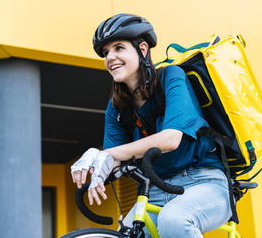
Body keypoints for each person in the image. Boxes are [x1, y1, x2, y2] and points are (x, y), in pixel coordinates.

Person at [71, 13, 232, 237]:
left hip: (204, 182)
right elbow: (117, 161)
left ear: (143, 49)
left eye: (119, 48)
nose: (110, 57)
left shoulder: (171, 76)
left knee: (174, 220)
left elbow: (170, 139)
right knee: (126, 233)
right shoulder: (116, 107)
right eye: (106, 52)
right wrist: (98, 167)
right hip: (155, 189)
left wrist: (105, 153)